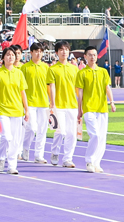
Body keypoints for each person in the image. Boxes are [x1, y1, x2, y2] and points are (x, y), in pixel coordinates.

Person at [77, 45, 116, 173]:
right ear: (85, 56)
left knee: (102, 137)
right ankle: (89, 161)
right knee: (95, 135)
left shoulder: (103, 72)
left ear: (97, 56)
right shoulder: (82, 73)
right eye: (90, 55)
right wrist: (79, 109)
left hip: (102, 108)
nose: (92, 57)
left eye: (94, 55)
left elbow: (107, 88)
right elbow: (80, 92)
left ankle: (96, 162)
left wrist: (112, 102)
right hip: (89, 108)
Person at [0, 47, 28, 174]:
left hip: (17, 110)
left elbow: (23, 93)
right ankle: (1, 156)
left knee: (15, 140)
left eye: (12, 55)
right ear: (3, 57)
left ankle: (12, 165)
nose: (10, 57)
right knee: (6, 137)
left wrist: (26, 110)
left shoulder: (19, 73)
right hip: (2, 110)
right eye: (8, 54)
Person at [48, 41, 79, 168]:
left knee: (72, 134)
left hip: (72, 105)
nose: (64, 52)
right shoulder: (52, 69)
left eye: (66, 49)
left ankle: (68, 159)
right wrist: (52, 103)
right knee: (60, 132)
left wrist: (81, 104)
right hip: (58, 106)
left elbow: (78, 88)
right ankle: (55, 152)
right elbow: (52, 86)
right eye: (61, 49)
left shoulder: (75, 68)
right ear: (57, 52)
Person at [20, 43, 51, 164]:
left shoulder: (46, 67)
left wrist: (51, 102)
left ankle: (39, 155)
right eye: (36, 51)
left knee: (42, 130)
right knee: (31, 128)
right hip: (30, 103)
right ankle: (26, 148)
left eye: (40, 51)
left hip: (43, 103)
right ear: (31, 52)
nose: (38, 53)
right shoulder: (25, 68)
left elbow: (49, 86)